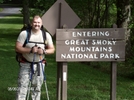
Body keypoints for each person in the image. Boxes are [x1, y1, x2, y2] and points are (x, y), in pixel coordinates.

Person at [15, 15, 55, 100]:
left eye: (38, 22)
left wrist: (44, 51)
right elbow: (17, 48)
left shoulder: (46, 35)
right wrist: (30, 50)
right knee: (22, 87)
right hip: (25, 63)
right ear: (31, 23)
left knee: (37, 88)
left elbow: (52, 49)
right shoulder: (24, 33)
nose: (37, 24)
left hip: (40, 65)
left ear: (42, 24)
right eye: (35, 22)